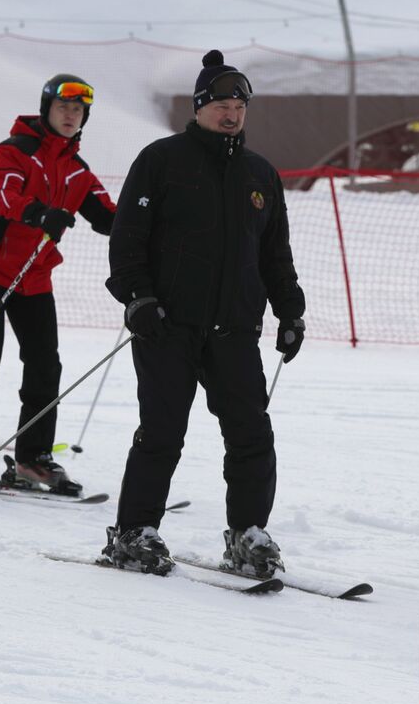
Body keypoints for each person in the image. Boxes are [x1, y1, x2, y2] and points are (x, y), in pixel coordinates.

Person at [102, 49, 306, 578]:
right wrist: (138, 298)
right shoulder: (161, 160)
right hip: (167, 324)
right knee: (162, 431)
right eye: (220, 105)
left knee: (251, 434)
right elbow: (128, 239)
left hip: (235, 329)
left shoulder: (260, 174)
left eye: (239, 105)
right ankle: (134, 533)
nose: (231, 113)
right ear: (198, 107)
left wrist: (290, 311)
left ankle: (247, 535)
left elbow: (274, 254)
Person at [0, 74, 115, 494]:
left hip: (33, 273)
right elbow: (0, 196)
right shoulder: (14, 150)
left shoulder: (78, 171)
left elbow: (107, 216)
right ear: (47, 109)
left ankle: (32, 459)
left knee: (45, 364)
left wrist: (150, 224)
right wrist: (39, 213)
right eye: (63, 107)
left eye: (78, 110)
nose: (71, 115)